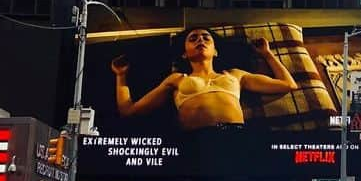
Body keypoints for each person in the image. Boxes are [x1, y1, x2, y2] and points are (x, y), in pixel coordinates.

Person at [111, 27, 298, 131]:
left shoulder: (235, 75)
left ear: (215, 51)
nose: (200, 40)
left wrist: (267, 54)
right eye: (193, 39)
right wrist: (121, 76)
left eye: (206, 38)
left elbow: (288, 84)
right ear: (184, 54)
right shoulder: (176, 79)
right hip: (196, 140)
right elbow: (128, 111)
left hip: (234, 135)